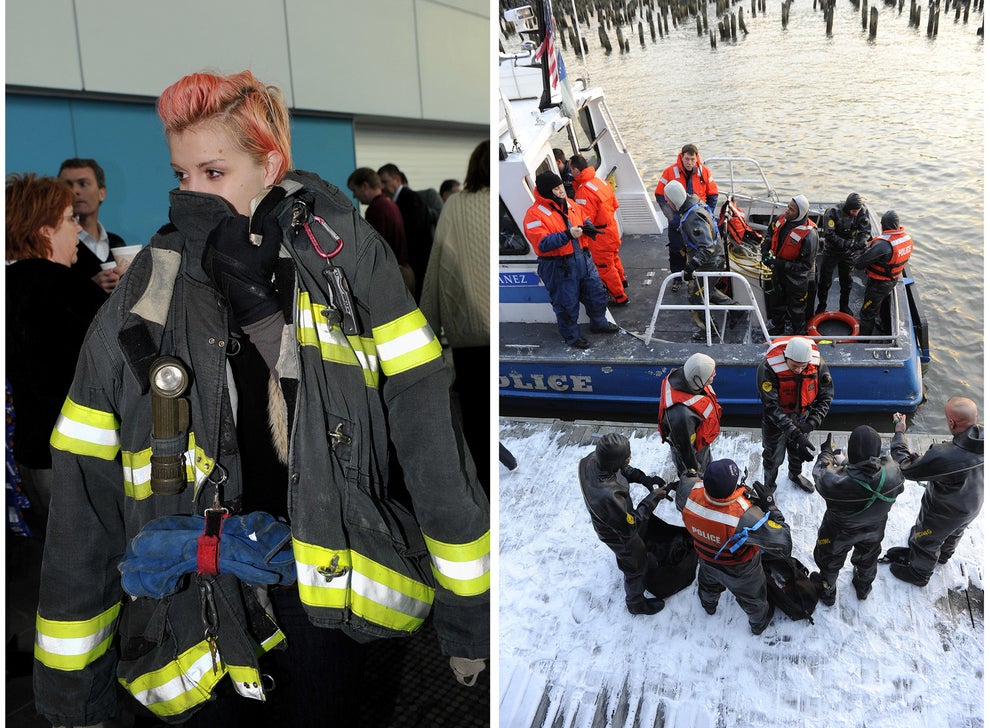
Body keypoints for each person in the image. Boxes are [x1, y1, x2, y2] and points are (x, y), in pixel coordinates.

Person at [34, 70, 490, 727]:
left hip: (319, 594)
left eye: (214, 172)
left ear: (269, 165)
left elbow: (430, 441)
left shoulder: (347, 265)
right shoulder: (148, 289)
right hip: (191, 607)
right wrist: (72, 690)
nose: (191, 194)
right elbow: (84, 489)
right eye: (181, 174)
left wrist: (469, 610)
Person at [6, 174, 108, 537]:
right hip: (79, 462)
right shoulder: (66, 290)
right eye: (69, 219)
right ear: (45, 230)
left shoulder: (10, 287)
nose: (77, 229)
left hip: (32, 458)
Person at [420, 140, 490, 495]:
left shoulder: (454, 207)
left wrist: (427, 333)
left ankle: (484, 490)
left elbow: (436, 271)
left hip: (468, 339)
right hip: (498, 336)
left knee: (476, 423)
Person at [680, 459, 792, 635]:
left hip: (706, 558)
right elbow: (784, 543)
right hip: (741, 571)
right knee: (753, 600)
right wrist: (771, 506)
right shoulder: (746, 517)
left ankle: (709, 605)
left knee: (708, 584)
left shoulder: (688, 491)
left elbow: (687, 478)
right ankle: (758, 624)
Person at [884, 398, 984, 587]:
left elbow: (906, 467)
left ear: (952, 423)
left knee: (926, 540)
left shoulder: (944, 455)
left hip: (944, 513)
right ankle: (944, 555)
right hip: (972, 504)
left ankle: (919, 574)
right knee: (955, 532)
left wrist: (899, 433)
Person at [523, 171, 620, 349]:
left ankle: (599, 323)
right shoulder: (534, 215)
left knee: (596, 294)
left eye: (560, 186)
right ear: (547, 192)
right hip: (559, 267)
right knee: (566, 304)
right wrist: (568, 234)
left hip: (583, 260)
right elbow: (542, 243)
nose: (561, 190)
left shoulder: (570, 203)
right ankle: (572, 337)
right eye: (556, 188)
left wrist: (588, 227)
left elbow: (584, 217)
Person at [810, 426, 905, 604]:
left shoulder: (833, 483)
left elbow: (820, 471)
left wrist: (827, 452)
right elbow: (875, 471)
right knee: (868, 559)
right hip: (874, 530)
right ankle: (863, 588)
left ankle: (828, 591)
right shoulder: (894, 473)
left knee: (830, 560)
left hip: (838, 533)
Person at [578, 433, 671, 615]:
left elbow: (620, 468)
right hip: (618, 534)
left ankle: (641, 559)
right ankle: (635, 603)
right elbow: (630, 525)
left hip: (616, 516)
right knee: (634, 565)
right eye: (626, 457)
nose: (629, 458)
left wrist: (643, 478)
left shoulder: (593, 459)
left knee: (638, 548)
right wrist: (652, 498)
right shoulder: (608, 495)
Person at [757, 336, 834, 493]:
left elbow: (826, 396)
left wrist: (812, 423)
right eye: (794, 366)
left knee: (798, 451)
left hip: (802, 417)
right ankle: (769, 485)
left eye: (802, 367)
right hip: (776, 421)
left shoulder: (818, 365)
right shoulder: (768, 369)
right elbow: (771, 406)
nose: (798, 370)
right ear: (786, 357)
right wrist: (795, 433)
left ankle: (795, 474)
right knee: (772, 456)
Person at [663, 180, 735, 341]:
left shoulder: (693, 217)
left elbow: (706, 248)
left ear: (674, 199)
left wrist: (690, 267)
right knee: (706, 290)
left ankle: (710, 330)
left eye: (667, 200)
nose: (667, 203)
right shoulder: (693, 204)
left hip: (709, 263)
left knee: (696, 296)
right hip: (713, 258)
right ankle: (736, 310)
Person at [657, 353, 722, 507]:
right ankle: (692, 503)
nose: (714, 374)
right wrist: (694, 474)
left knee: (706, 466)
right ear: (698, 378)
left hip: (699, 439)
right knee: (693, 477)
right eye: (711, 373)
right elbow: (685, 450)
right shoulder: (681, 414)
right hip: (690, 448)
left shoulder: (689, 378)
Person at [58, 157, 127, 294]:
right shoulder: (58, 247)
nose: (75, 191)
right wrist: (89, 287)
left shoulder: (117, 242)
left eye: (83, 184)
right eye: (68, 185)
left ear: (102, 193)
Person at [654, 144, 719, 289]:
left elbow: (713, 194)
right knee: (676, 250)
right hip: (677, 218)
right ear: (681, 157)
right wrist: (672, 218)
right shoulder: (669, 172)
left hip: (697, 218)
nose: (689, 162)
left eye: (692, 159)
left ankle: (698, 278)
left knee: (699, 249)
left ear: (697, 158)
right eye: (687, 159)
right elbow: (660, 195)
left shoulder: (704, 172)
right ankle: (677, 278)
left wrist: (707, 215)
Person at [570, 154, 628, 306]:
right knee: (613, 258)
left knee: (604, 268)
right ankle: (622, 281)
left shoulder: (583, 192)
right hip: (611, 228)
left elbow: (585, 219)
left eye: (571, 169)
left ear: (576, 170)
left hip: (599, 236)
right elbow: (614, 205)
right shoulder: (601, 181)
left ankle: (619, 297)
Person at [346, 166, 415, 292]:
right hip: (405, 271)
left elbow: (374, 248)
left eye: (354, 190)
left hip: (393, 275)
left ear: (365, 186)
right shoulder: (390, 204)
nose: (355, 196)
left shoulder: (376, 209)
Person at [761, 194, 819, 335]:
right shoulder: (780, 219)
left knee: (797, 308)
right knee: (777, 301)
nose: (787, 210)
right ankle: (778, 327)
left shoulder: (810, 235)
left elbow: (806, 265)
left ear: (800, 213)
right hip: (778, 271)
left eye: (791, 209)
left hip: (796, 278)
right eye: (788, 207)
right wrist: (765, 250)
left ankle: (799, 332)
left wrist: (779, 263)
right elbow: (770, 234)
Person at [378, 163, 434, 300]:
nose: (382, 187)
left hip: (418, 264)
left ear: (397, 179)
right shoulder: (400, 200)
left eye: (385, 182)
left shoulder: (410, 199)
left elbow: (417, 236)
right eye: (380, 183)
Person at [854, 210, 913, 337]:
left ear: (883, 225)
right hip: (892, 280)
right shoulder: (906, 239)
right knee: (885, 305)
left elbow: (859, 264)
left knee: (867, 313)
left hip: (878, 285)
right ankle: (885, 327)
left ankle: (864, 341)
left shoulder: (883, 245)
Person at [815, 192, 871, 316]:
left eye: (857, 211)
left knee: (847, 282)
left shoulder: (862, 212)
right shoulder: (832, 212)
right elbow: (829, 235)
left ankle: (844, 306)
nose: (856, 213)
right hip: (831, 251)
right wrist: (848, 244)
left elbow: (865, 231)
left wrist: (861, 242)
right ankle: (821, 306)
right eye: (854, 211)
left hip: (848, 254)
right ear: (848, 207)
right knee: (824, 281)